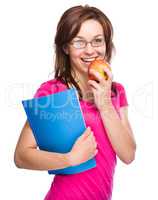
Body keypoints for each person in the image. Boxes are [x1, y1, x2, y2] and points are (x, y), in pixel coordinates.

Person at [14, 5, 136, 200]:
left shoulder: (116, 91)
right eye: (79, 42)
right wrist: (69, 159)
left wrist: (104, 103)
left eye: (97, 41)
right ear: (66, 47)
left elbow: (128, 155)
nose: (90, 50)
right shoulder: (51, 92)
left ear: (106, 44)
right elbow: (21, 156)